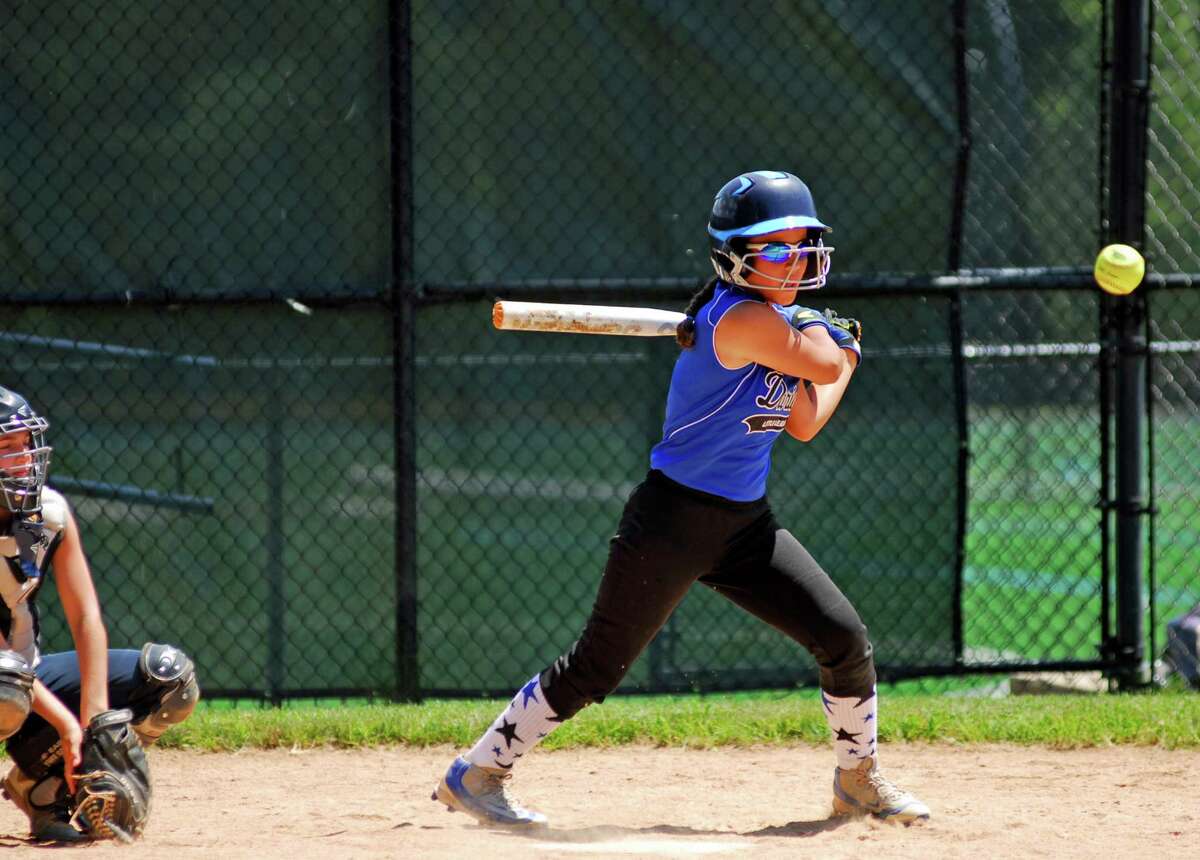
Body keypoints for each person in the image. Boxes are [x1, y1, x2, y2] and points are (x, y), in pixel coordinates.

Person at [432, 170, 929, 827]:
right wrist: (830, 341)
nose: (797, 261)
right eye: (776, 249)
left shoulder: (772, 321)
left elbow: (807, 415)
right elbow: (823, 363)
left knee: (842, 637)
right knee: (594, 669)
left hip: (746, 528)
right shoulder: (747, 319)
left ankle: (858, 782)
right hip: (672, 522)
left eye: (801, 245)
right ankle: (478, 772)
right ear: (734, 258)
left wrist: (844, 351)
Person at [0, 385, 200, 842]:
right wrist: (67, 726)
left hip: (22, 683)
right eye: (4, 449)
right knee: (5, 680)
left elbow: (86, 617)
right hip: (7, 684)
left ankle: (41, 787)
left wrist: (95, 723)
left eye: (23, 444)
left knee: (169, 680)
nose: (22, 458)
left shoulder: (44, 515)